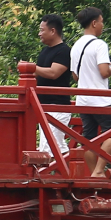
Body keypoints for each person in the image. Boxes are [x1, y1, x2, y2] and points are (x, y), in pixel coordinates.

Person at [70, 5, 111, 178]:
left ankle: (95, 174)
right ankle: (99, 170)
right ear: (94, 23)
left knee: (89, 139)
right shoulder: (99, 44)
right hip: (99, 99)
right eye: (101, 22)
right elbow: (103, 72)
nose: (102, 25)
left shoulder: (76, 45)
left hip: (82, 100)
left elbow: (75, 76)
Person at [34, 14, 74, 157]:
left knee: (48, 149)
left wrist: (31, 68)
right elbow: (39, 74)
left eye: (41, 30)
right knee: (57, 147)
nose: (39, 34)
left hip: (57, 106)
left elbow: (53, 73)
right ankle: (67, 172)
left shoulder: (64, 51)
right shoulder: (45, 51)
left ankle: (52, 178)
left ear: (52, 31)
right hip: (44, 106)